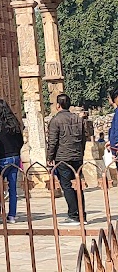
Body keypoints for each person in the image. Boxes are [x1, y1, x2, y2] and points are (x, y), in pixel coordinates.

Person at [46, 93, 93, 224]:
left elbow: (53, 141)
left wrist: (50, 157)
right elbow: (84, 138)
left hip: (63, 157)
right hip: (77, 156)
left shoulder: (55, 121)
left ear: (58, 105)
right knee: (77, 185)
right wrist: (81, 152)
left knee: (66, 185)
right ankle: (81, 214)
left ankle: (73, 215)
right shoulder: (78, 119)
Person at [0, 99, 24, 224]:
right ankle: (12, 215)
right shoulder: (14, 121)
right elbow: (21, 141)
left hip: (1, 158)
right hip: (14, 157)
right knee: (12, 188)